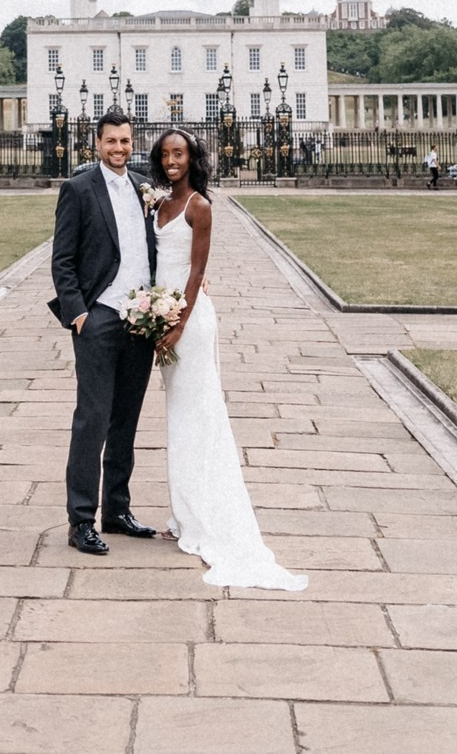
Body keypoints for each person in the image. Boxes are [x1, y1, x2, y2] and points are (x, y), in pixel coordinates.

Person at [145, 127, 306, 591]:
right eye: (166, 154)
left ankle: (204, 516)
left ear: (194, 159)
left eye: (180, 154)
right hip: (166, 315)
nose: (172, 160)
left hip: (189, 323)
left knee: (199, 415)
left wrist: (177, 324)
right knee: (181, 416)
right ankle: (186, 511)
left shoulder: (200, 206)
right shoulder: (158, 203)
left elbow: (197, 271)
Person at [48, 109, 158, 556]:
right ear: (97, 144)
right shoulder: (78, 189)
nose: (119, 149)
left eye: (125, 141)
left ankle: (116, 509)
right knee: (92, 420)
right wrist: (78, 314)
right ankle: (80, 520)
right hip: (99, 317)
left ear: (134, 143)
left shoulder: (143, 188)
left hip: (142, 318)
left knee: (126, 420)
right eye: (111, 141)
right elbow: (63, 260)